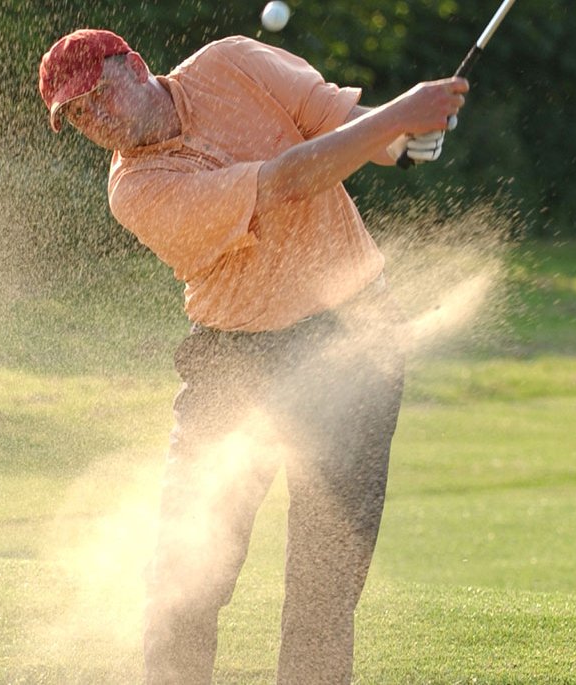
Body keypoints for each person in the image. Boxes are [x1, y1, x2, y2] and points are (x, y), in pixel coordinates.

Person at [38, 28, 468, 685]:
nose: (95, 118)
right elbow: (289, 181)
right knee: (183, 576)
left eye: (98, 95)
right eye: (77, 115)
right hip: (232, 362)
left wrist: (403, 138)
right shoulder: (136, 191)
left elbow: (347, 127)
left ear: (137, 66)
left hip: (355, 342)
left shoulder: (235, 62)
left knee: (323, 583)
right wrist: (402, 113)